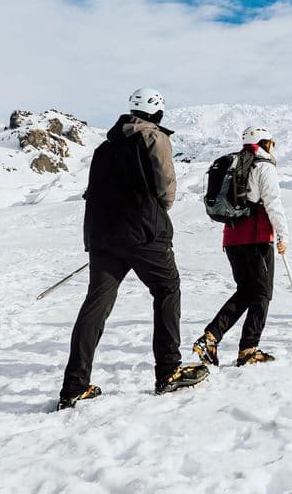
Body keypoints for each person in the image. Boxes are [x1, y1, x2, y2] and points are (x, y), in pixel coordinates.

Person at [58, 88, 208, 410]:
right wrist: (156, 212)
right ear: (158, 112)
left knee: (96, 305)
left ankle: (74, 387)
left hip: (102, 236)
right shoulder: (154, 137)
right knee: (167, 288)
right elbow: (166, 186)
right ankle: (168, 371)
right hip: (143, 232)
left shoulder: (104, 148)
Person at [193, 126, 289, 367]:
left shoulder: (233, 162)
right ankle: (248, 349)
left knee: (246, 291)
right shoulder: (264, 166)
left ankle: (211, 337)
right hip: (257, 238)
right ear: (265, 143)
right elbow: (273, 202)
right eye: (271, 142)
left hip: (232, 238)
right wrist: (283, 234)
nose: (273, 147)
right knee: (262, 294)